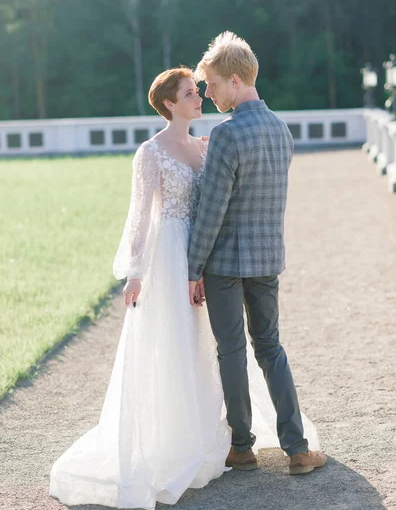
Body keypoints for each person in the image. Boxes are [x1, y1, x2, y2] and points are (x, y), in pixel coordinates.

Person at [49, 65, 320, 510]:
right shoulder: (151, 153)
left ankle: (218, 434)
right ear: (170, 103)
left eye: (201, 90)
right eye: (191, 93)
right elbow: (139, 216)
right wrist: (135, 271)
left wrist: (201, 264)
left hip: (206, 257)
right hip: (170, 256)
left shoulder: (205, 145)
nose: (200, 98)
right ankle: (177, 438)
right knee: (176, 343)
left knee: (209, 345)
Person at [188, 32, 327, 475]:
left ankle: (242, 447)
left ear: (234, 80)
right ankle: (298, 448)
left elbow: (211, 212)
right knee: (270, 347)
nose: (208, 94)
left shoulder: (226, 135)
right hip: (267, 259)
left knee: (231, 351)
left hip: (225, 263)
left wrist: (193, 268)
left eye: (211, 85)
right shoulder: (281, 130)